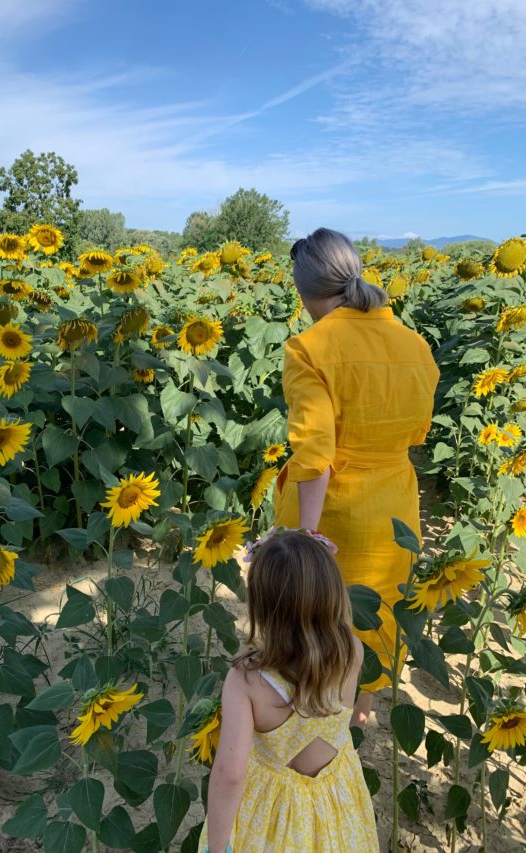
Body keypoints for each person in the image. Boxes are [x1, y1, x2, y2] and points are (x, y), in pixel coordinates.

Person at [274, 227, 439, 729]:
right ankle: (363, 705)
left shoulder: (309, 347)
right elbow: (418, 430)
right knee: (377, 607)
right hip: (394, 502)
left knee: (315, 614)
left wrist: (307, 535)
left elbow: (315, 452)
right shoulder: (414, 344)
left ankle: (316, 719)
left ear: (303, 292)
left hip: (333, 509)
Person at [200, 529, 379, 853]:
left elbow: (230, 774)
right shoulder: (352, 651)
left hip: (272, 813)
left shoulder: (247, 681)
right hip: (336, 802)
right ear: (333, 593)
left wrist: (217, 847)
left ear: (263, 607)